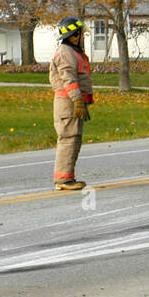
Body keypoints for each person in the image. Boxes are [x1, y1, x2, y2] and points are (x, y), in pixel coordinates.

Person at [49, 16, 93, 190]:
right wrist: (77, 100)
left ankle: (67, 177)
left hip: (71, 102)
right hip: (67, 103)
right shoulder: (65, 53)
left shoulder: (71, 52)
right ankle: (63, 180)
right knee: (68, 139)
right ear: (74, 35)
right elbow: (68, 79)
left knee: (73, 139)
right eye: (81, 34)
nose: (83, 36)